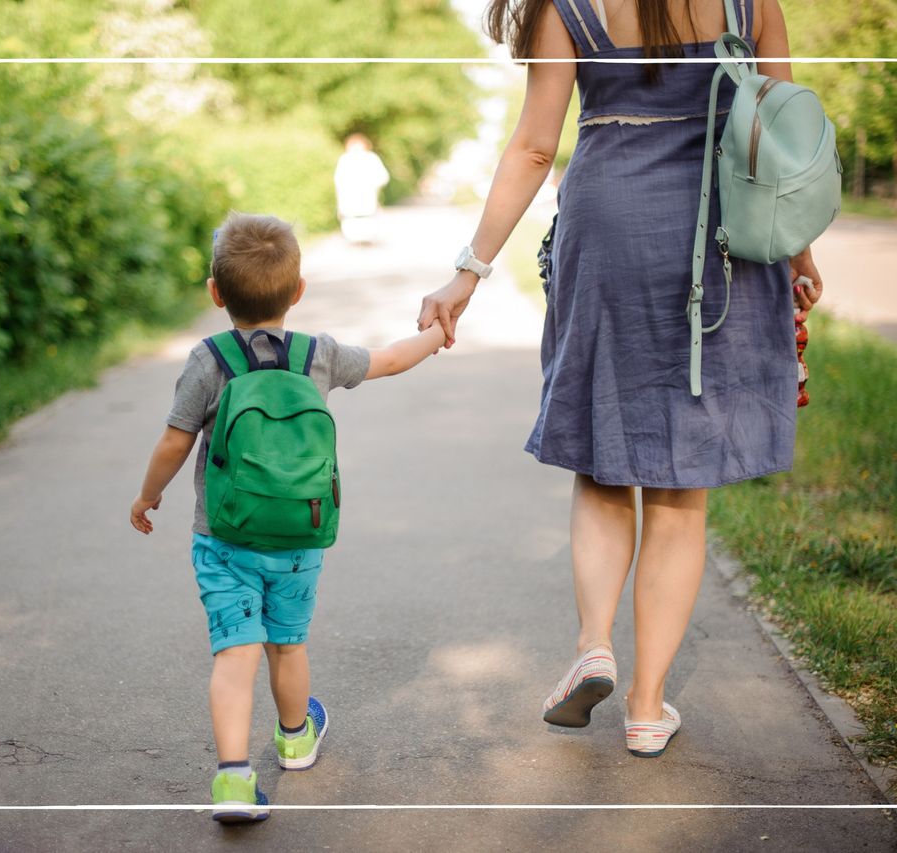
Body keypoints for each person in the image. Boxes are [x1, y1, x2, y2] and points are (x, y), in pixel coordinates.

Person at [417, 0, 825, 757]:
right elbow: (784, 136)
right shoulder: (750, 2)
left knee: (606, 459)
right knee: (680, 488)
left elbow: (536, 149)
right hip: (723, 236)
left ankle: (595, 643)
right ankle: (645, 707)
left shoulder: (569, 7)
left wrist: (466, 273)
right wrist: (797, 251)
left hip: (609, 224)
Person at [130, 212, 446, 821]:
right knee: (288, 645)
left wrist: (148, 496)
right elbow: (390, 360)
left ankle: (232, 782)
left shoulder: (209, 358)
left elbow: (174, 441)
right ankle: (297, 738)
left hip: (223, 537)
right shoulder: (317, 355)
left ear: (215, 292)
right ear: (297, 292)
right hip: (300, 535)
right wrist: (436, 333)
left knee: (235, 653)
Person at [334, 133, 390, 244]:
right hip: (349, 201)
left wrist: (373, 185)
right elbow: (338, 182)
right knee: (352, 231)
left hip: (367, 199)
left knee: (368, 228)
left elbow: (383, 177)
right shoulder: (345, 159)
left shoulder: (371, 158)